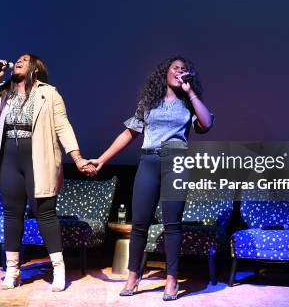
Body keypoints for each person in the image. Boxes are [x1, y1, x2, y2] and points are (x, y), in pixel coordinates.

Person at [89, 56, 214, 301]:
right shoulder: (149, 102)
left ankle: (172, 279)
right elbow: (129, 133)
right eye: (175, 68)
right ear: (164, 74)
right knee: (140, 223)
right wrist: (102, 159)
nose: (180, 71)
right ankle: (133, 276)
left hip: (176, 161)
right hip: (148, 161)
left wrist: (191, 93)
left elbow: (206, 123)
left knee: (172, 223)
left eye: (184, 69)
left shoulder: (189, 103)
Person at [0, 54, 95, 291]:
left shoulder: (49, 93)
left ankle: (58, 269)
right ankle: (12, 270)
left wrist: (77, 157)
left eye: (24, 60)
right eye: (16, 59)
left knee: (45, 213)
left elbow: (63, 126)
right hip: (9, 155)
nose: (17, 61)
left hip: (37, 156)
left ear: (36, 69)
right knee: (12, 214)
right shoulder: (2, 90)